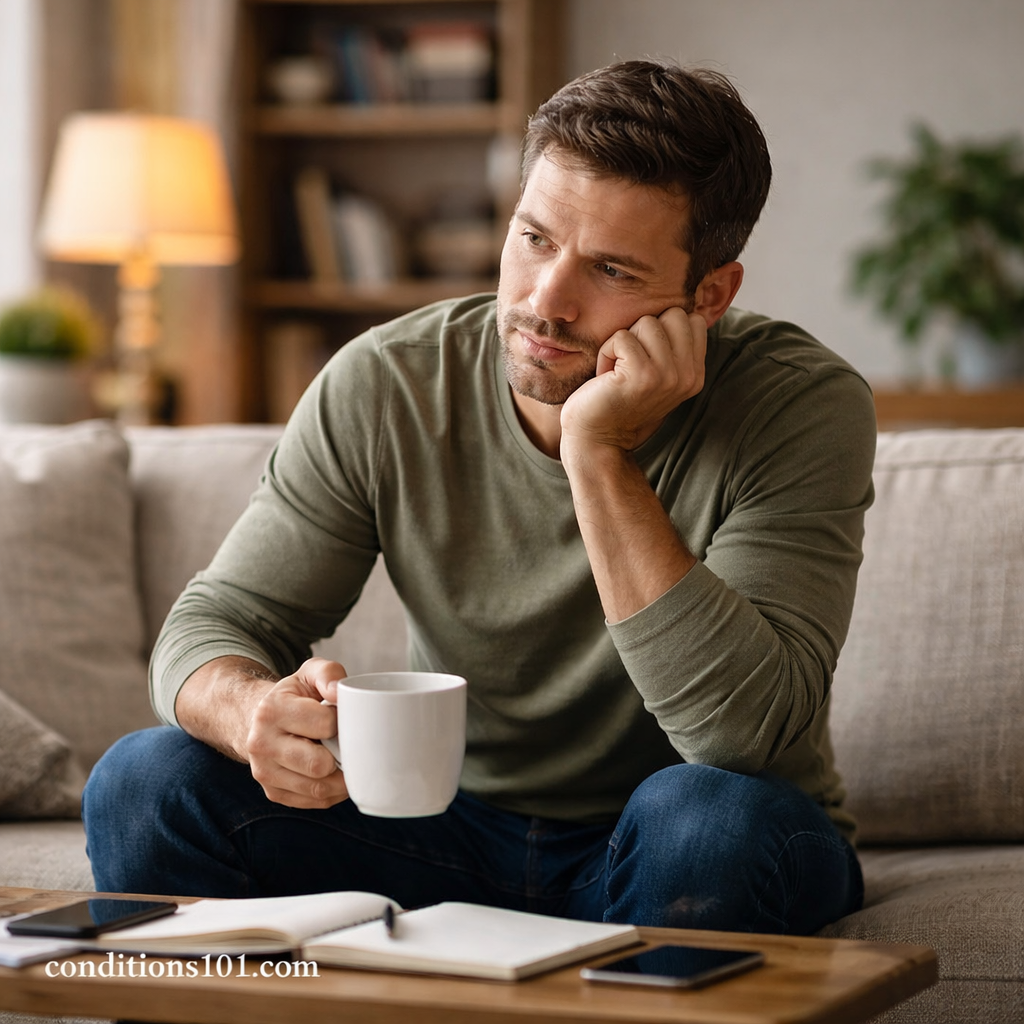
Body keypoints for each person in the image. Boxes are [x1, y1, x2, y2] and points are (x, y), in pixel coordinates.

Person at [83, 60, 875, 935]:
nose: (546, 302)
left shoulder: (801, 404)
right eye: (534, 238)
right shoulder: (388, 382)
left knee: (712, 822)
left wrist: (598, 453)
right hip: (443, 834)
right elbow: (215, 623)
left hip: (681, 842)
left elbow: (739, 738)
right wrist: (246, 714)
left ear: (709, 295)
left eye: (610, 269)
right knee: (144, 782)